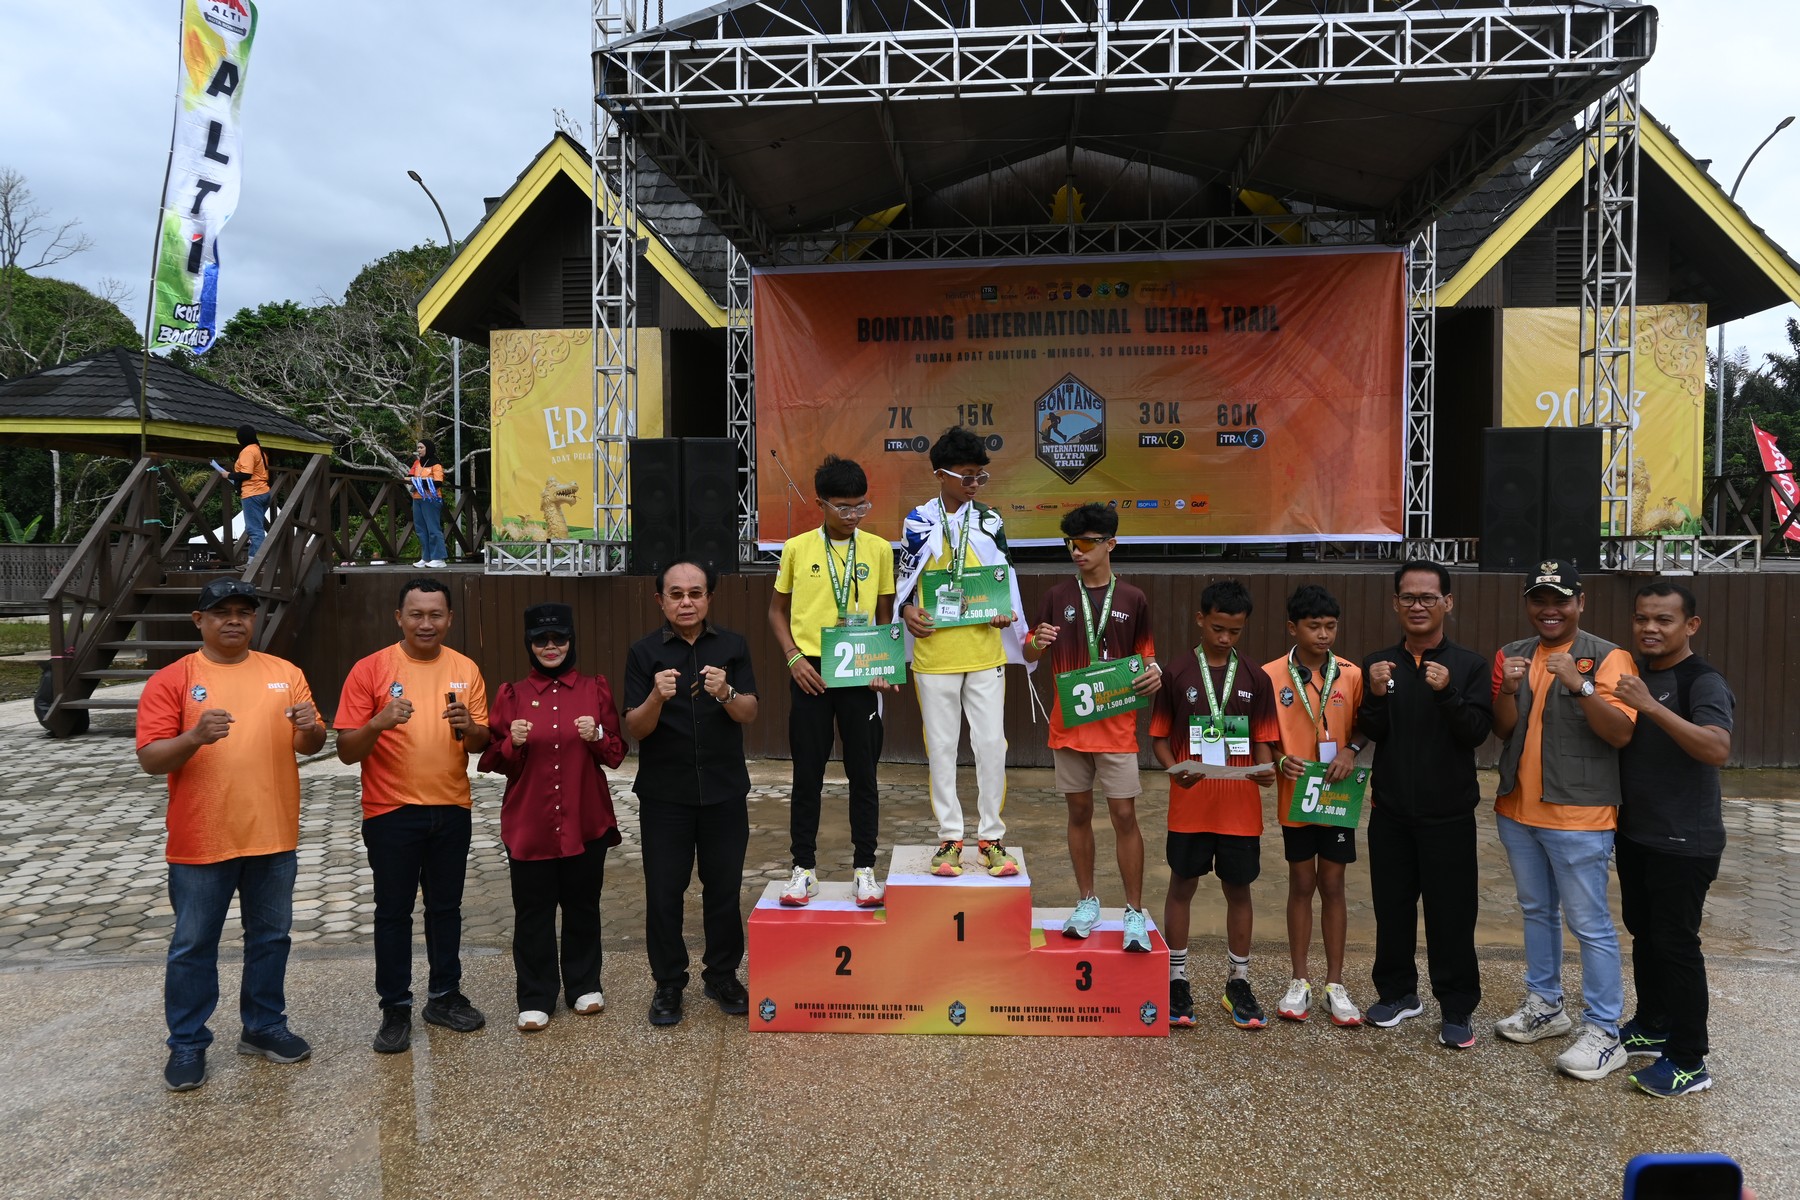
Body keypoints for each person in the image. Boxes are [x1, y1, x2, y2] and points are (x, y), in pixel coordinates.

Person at [135, 579, 325, 1092]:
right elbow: (151, 758)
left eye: (244, 611)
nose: (235, 620)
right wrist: (195, 737)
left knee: (271, 938)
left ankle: (263, 1026)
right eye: (222, 612)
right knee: (194, 944)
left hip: (273, 834)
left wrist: (311, 726)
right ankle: (187, 1042)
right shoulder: (173, 680)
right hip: (201, 840)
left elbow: (310, 743)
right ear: (199, 620)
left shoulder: (285, 673)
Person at [1490, 559, 1637, 1081]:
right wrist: (1506, 690)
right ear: (1528, 604)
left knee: (1590, 924)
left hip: (1579, 815)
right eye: (1539, 600)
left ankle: (1604, 1031)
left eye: (1561, 600)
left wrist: (1580, 683)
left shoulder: (1609, 657)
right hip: (1517, 810)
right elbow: (1504, 730)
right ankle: (1546, 1005)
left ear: (1580, 603)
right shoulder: (1513, 653)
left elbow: (1620, 733)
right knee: (1536, 911)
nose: (1549, 610)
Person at [335, 577, 491, 1053]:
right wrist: (378, 722)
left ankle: (444, 996)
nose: (426, 623)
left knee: (446, 909)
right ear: (399, 617)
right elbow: (346, 750)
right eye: (417, 614)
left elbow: (481, 743)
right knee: (393, 912)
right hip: (391, 811)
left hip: (451, 808)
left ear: (450, 619)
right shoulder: (371, 669)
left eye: (435, 614)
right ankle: (395, 1008)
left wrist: (471, 728)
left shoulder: (465, 669)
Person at [1354, 561, 1493, 1049]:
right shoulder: (1379, 664)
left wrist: (1447, 692)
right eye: (1408, 597)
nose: (1418, 606)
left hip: (1448, 815)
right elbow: (1372, 730)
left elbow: (1476, 732)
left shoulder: (1470, 665)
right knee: (1392, 910)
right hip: (1390, 813)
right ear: (1395, 603)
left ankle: (1456, 1007)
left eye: (1428, 597)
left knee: (1451, 915)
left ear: (1447, 603)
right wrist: (1374, 695)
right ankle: (1397, 994)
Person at [479, 602, 628, 1032]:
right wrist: (512, 743)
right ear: (529, 644)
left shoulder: (595, 689)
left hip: (585, 819)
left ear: (570, 641)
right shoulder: (512, 695)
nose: (550, 646)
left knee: (583, 905)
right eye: (540, 640)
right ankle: (535, 995)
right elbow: (492, 761)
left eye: (558, 638)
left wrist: (596, 734)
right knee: (533, 912)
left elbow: (616, 754)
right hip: (531, 823)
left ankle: (584, 985)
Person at [623, 561, 760, 1027]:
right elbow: (636, 727)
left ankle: (722, 975)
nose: (686, 602)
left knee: (723, 889)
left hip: (724, 791)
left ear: (709, 598)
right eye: (676, 594)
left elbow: (749, 712)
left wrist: (726, 692)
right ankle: (668, 983)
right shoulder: (643, 652)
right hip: (666, 795)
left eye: (696, 593)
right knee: (665, 892)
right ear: (659, 600)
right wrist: (656, 698)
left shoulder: (732, 646)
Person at [1021, 503, 1161, 951]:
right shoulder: (1056, 595)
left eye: (1085, 543)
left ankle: (1134, 911)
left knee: (1124, 816)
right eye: (1070, 543)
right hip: (1069, 725)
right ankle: (1087, 901)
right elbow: (1028, 652)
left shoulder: (1134, 598)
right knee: (1078, 813)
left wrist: (1155, 673)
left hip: (1117, 726)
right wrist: (1035, 642)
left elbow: (1148, 659)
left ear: (1110, 544)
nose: (1076, 551)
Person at [1613, 582, 1734, 1098]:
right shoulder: (1635, 673)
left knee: (1677, 944)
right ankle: (1653, 1023)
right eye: (1642, 618)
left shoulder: (1702, 681)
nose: (1650, 628)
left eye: (1663, 619)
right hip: (1637, 834)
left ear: (1691, 625)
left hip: (1685, 841)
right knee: (1645, 933)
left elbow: (1717, 749)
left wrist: (1652, 707)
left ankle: (1689, 1060)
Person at [895, 426, 1030, 878]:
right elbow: (905, 582)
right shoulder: (918, 521)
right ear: (941, 474)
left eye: (980, 476)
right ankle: (950, 838)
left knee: (992, 745)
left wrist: (1007, 613)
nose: (974, 484)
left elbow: (1005, 579)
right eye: (966, 476)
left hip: (985, 651)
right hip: (935, 653)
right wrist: (907, 612)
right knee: (941, 748)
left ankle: (991, 838)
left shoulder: (991, 521)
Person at [767, 455, 897, 909]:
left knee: (864, 774)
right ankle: (803, 868)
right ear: (820, 503)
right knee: (808, 773)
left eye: (861, 506)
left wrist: (883, 665)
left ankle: (865, 869)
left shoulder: (878, 549)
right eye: (843, 507)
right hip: (811, 672)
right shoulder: (797, 548)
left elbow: (886, 616)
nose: (853, 514)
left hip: (861, 670)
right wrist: (793, 658)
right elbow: (776, 612)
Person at [1150, 579, 1280, 1030]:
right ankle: (1176, 979)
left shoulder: (1256, 678)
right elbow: (1159, 739)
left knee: (1238, 890)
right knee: (1182, 885)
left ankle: (1238, 983)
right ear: (1200, 619)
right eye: (1218, 628)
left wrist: (1265, 770)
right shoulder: (1177, 672)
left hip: (1240, 810)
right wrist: (1173, 769)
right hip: (1190, 805)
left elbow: (1264, 741)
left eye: (1235, 631)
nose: (1225, 638)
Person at [1263, 585, 1366, 1027]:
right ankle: (1299, 980)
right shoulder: (1270, 675)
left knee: (1334, 884)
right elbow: (1263, 734)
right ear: (1293, 627)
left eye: (1330, 626)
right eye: (1313, 626)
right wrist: (1278, 759)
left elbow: (1366, 725)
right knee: (1302, 883)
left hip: (1339, 795)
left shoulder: (1352, 674)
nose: (1323, 635)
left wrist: (1351, 751)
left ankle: (1335, 984)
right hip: (1297, 796)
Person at [228, 424, 271, 559]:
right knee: (256, 527)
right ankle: (256, 560)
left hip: (252, 493)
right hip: (264, 491)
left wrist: (228, 475)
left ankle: (256, 562)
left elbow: (246, 474)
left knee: (255, 530)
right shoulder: (260, 451)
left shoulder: (247, 451)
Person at [409, 437, 449, 569]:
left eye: (421, 447)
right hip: (417, 498)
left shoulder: (436, 464)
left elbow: (438, 482)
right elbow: (410, 476)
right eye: (418, 448)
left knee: (433, 528)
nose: (419, 450)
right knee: (420, 529)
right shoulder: (417, 463)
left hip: (431, 499)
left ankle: (439, 558)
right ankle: (426, 557)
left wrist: (420, 482)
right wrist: (414, 481)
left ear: (428, 449)